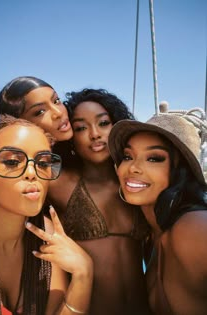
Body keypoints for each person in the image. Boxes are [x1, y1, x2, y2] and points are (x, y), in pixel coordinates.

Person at [0, 116, 93, 314]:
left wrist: (84, 272)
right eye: (12, 162)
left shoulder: (45, 234)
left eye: (43, 163)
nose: (32, 172)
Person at [48, 88, 152, 315]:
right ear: (70, 136)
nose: (95, 134)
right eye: (81, 128)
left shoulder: (137, 182)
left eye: (103, 123)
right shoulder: (59, 183)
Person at [108, 105, 207, 315]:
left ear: (181, 171)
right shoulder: (150, 233)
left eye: (154, 158)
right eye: (127, 156)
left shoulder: (192, 227)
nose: (133, 167)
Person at [0, 76, 73, 200]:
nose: (58, 112)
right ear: (20, 123)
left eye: (56, 100)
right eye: (40, 112)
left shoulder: (78, 152)